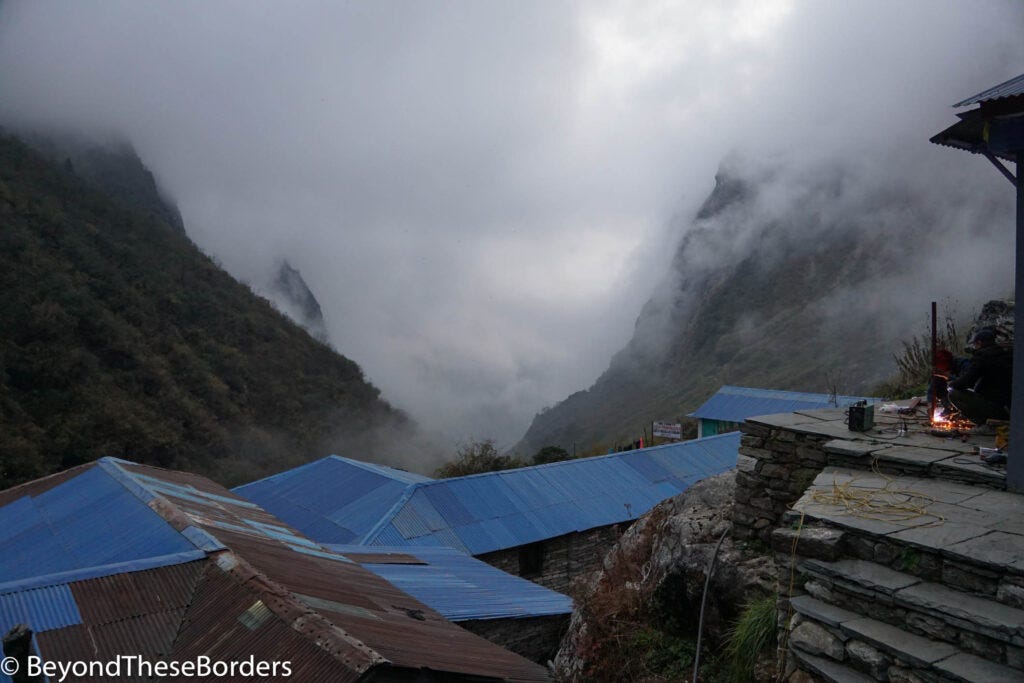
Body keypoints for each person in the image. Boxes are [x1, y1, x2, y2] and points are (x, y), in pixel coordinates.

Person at [948, 328, 1012, 432]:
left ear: (979, 343)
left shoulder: (982, 356)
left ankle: (984, 423)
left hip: (996, 407)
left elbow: (967, 381)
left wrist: (951, 384)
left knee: (954, 393)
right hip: (1009, 407)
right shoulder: (1005, 354)